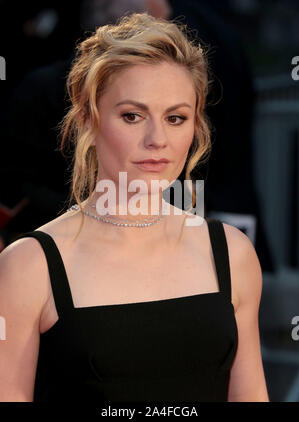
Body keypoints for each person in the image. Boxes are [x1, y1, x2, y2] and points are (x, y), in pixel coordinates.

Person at [0, 12, 269, 402]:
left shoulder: (232, 253)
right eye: (132, 116)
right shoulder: (28, 267)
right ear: (88, 121)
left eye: (176, 118)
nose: (157, 139)